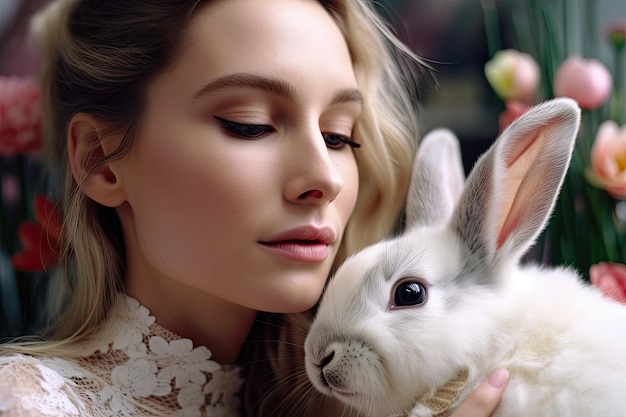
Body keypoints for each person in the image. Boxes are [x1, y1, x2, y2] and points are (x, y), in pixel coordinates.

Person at [0, 0, 509, 416]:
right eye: (250, 124)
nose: (325, 179)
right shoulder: (27, 404)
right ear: (100, 161)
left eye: (339, 137)